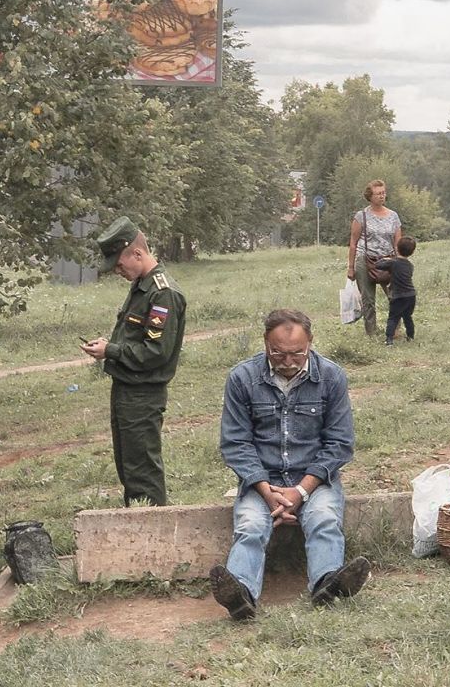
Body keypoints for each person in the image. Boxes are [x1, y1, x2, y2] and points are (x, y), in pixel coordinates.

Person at [210, 309, 370, 619]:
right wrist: (266, 490)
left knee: (323, 518)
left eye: (297, 353)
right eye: (277, 353)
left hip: (315, 479)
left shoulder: (331, 377)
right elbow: (236, 443)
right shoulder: (242, 378)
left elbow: (338, 444)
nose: (288, 361)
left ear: (311, 342)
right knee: (251, 526)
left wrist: (300, 491)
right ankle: (239, 595)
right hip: (262, 481)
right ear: (265, 344)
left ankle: (328, 584)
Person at [81, 216, 186, 507]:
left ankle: (154, 537)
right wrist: (111, 345)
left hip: (143, 394)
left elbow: (156, 353)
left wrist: (111, 351)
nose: (117, 270)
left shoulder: (162, 293)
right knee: (129, 466)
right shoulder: (142, 285)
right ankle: (138, 529)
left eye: (119, 264)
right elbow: (138, 338)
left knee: (142, 471)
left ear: (137, 253)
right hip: (128, 389)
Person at [347, 180, 401, 336]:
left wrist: (400, 263)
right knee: (368, 300)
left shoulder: (393, 216)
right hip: (365, 259)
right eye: (378, 194)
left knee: (395, 296)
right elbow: (353, 243)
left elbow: (398, 242)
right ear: (370, 196)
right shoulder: (361, 216)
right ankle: (371, 332)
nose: (382, 196)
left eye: (384, 193)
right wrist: (351, 267)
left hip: (388, 260)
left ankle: (395, 330)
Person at [374, 236, 417, 346]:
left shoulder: (393, 263)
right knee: (408, 317)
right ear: (412, 252)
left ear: (397, 248)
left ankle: (389, 340)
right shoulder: (410, 265)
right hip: (411, 295)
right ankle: (410, 337)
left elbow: (377, 265)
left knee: (393, 318)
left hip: (398, 295)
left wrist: (385, 259)